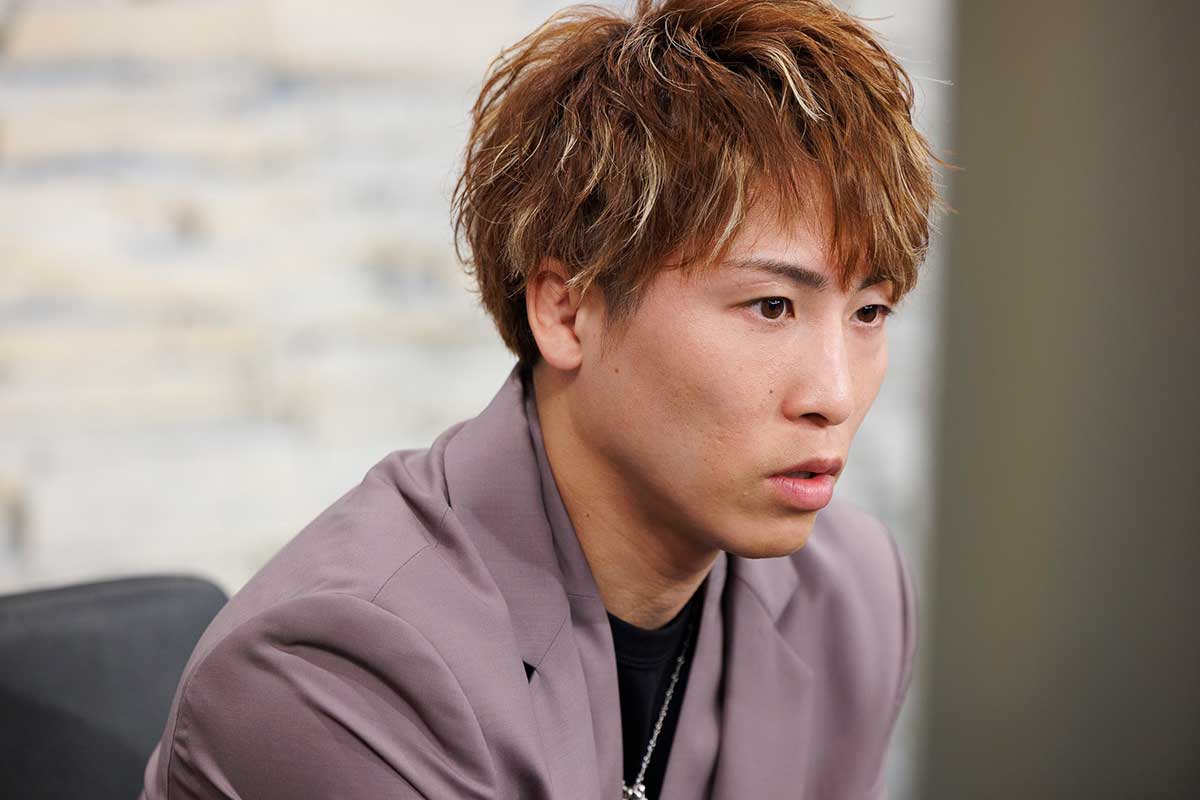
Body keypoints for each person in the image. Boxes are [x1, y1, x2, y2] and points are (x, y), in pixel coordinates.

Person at [140, 1, 939, 797]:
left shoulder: (851, 600)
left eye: (869, 313)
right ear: (566, 312)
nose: (835, 395)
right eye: (771, 307)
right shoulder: (336, 674)